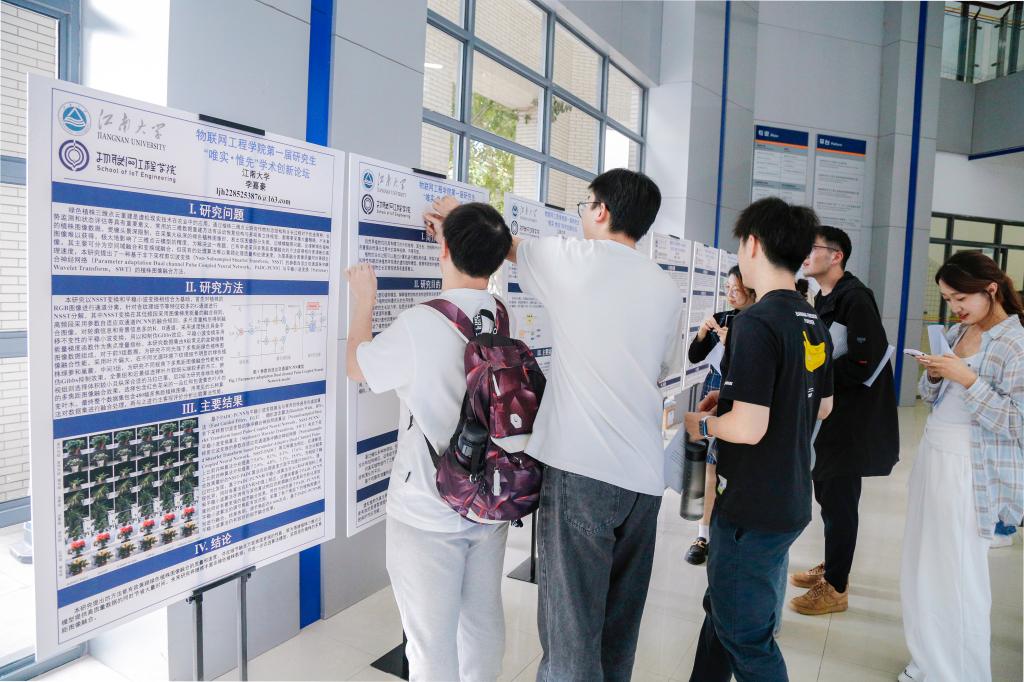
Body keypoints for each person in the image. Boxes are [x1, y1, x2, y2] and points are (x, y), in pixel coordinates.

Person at [427, 169, 685, 681]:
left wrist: (455, 216)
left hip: (584, 473)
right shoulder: (665, 287)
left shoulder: (575, 259)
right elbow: (664, 367)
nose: (582, 214)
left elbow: (504, 245)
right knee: (617, 631)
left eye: (586, 204)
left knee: (570, 638)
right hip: (644, 477)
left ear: (601, 211)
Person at [345, 202, 514, 682]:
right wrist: (458, 238)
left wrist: (364, 302)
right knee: (481, 622)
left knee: (430, 641)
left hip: (427, 507)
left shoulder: (421, 323)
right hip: (489, 500)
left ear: (443, 249)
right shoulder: (501, 316)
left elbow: (358, 366)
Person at [684, 197, 834, 682]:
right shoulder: (812, 320)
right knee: (724, 611)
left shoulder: (755, 322)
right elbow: (822, 406)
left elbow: (748, 429)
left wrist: (701, 424)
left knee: (746, 637)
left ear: (752, 244)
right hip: (788, 494)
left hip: (750, 504)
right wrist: (732, 404)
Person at [900, 250, 1024, 682]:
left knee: (958, 572)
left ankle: (962, 672)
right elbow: (935, 396)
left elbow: (1016, 421)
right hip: (935, 452)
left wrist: (967, 379)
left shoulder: (1015, 342)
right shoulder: (958, 332)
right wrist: (935, 376)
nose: (954, 307)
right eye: (949, 299)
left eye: (960, 298)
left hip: (971, 466)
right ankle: (930, 660)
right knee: (924, 564)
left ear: (991, 289)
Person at [789, 225, 899, 616]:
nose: (805, 254)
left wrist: (814, 377)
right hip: (830, 417)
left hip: (849, 423)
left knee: (839, 501)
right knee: (828, 496)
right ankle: (835, 565)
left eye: (812, 248)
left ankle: (836, 587)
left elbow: (866, 362)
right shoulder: (824, 297)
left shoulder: (855, 298)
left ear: (836, 256)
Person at [684, 266, 755, 565]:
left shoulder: (757, 324)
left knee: (737, 469)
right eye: (728, 288)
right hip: (714, 394)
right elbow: (695, 356)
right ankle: (703, 535)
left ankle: (733, 533)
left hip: (741, 400)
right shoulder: (723, 318)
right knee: (709, 468)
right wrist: (703, 333)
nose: (731, 294)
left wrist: (730, 345)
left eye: (736, 289)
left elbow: (750, 368)